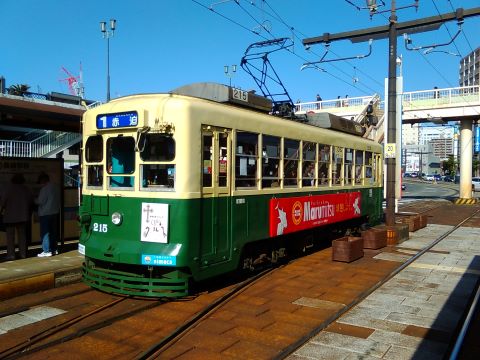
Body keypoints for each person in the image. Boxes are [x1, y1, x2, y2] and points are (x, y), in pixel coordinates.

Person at [0, 173, 33, 260]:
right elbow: (30, 202)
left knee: (10, 237)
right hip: (23, 217)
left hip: (10, 217)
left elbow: (3, 202)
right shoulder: (26, 189)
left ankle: (11, 255)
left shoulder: (8, 189)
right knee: (22, 237)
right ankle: (23, 254)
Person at [36, 172, 61, 257]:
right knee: (53, 232)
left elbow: (40, 201)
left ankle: (46, 250)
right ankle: (54, 249)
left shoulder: (44, 189)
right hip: (55, 212)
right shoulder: (56, 187)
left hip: (45, 214)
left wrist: (34, 200)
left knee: (45, 233)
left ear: (43, 180)